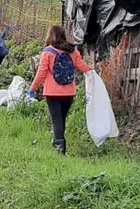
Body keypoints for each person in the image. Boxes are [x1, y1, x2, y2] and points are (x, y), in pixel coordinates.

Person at [28, 25, 92, 155]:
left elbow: (41, 73)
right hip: (69, 93)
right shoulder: (73, 51)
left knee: (56, 119)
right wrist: (93, 74)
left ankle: (60, 148)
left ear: (50, 36)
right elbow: (82, 67)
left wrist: (33, 88)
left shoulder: (48, 52)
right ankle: (58, 142)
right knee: (61, 118)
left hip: (52, 92)